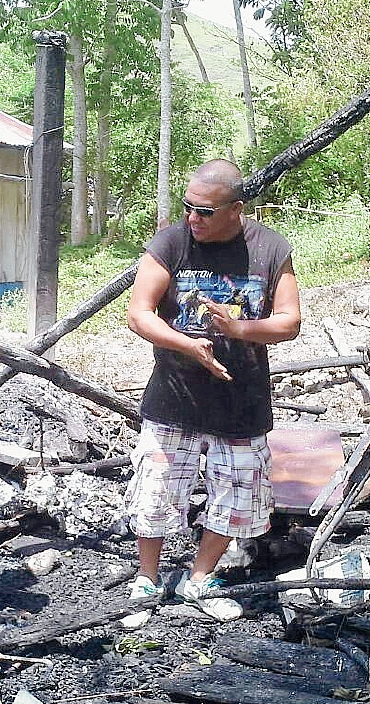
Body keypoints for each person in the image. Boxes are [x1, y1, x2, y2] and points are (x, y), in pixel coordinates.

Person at [122, 159, 301, 627]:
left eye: (204, 211)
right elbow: (139, 313)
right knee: (156, 489)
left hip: (241, 401)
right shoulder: (171, 242)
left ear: (235, 209)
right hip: (173, 398)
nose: (192, 219)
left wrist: (239, 328)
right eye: (188, 208)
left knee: (237, 493)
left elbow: (289, 322)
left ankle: (201, 577)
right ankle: (148, 577)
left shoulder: (269, 248)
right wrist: (188, 345)